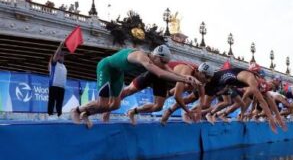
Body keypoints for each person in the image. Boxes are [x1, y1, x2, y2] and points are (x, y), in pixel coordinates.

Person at [70, 45, 201, 128]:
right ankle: (76, 110)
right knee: (102, 104)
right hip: (106, 67)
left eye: (166, 62)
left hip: (118, 73)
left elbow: (169, 71)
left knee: (115, 105)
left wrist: (187, 78)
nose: (165, 64)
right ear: (156, 56)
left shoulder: (159, 61)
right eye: (163, 62)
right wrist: (184, 78)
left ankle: (86, 114)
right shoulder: (141, 57)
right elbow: (160, 74)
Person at [48, 42, 67, 117]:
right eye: (61, 56)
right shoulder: (54, 63)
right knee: (52, 101)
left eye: (63, 56)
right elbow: (56, 55)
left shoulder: (64, 67)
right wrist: (60, 46)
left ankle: (59, 115)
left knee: (60, 102)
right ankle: (50, 114)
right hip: (54, 86)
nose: (62, 57)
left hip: (62, 87)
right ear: (58, 57)